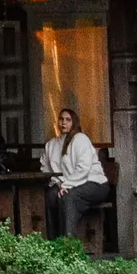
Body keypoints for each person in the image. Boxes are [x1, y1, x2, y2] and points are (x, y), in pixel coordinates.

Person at [44, 105, 112, 250]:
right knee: (51, 195)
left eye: (68, 120)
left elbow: (83, 169)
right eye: (61, 119)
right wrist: (58, 184)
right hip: (70, 184)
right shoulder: (51, 145)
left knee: (69, 197)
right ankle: (53, 242)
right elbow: (46, 169)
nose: (63, 122)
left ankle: (69, 246)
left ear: (73, 122)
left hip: (95, 184)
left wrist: (66, 185)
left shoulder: (80, 139)